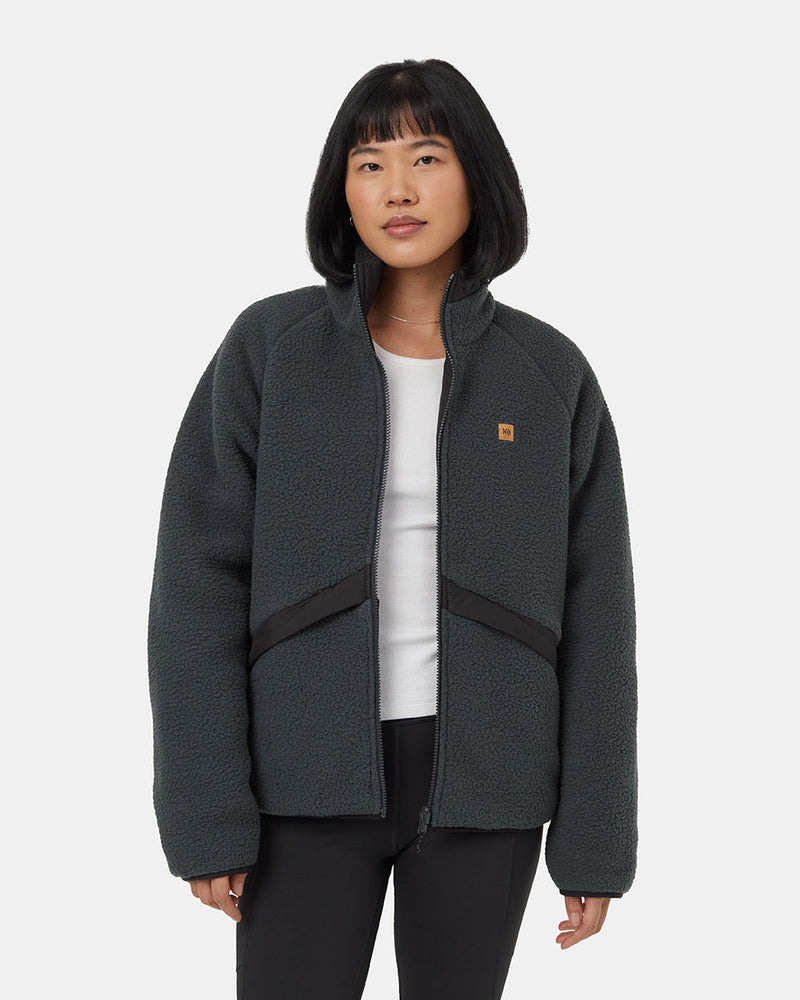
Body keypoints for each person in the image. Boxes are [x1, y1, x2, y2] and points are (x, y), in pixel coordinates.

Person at [147, 57, 638, 999]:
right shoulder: (271, 351)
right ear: (342, 188)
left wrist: (595, 840)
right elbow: (196, 585)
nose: (397, 189)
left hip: (490, 783)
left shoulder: (548, 374)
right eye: (369, 163)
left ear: (477, 177)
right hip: (302, 774)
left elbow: (600, 614)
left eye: (426, 157)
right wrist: (207, 812)